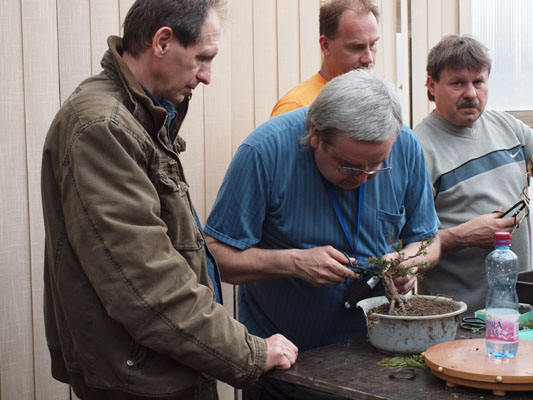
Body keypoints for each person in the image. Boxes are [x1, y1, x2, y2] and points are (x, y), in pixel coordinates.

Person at [40, 1, 297, 399]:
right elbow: (147, 283)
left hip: (160, 366)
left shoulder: (142, 113)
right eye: (203, 58)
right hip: (141, 381)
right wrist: (247, 352)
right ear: (162, 42)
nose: (207, 76)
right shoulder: (104, 127)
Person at [205, 69, 440, 398]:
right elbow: (213, 256)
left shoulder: (406, 146)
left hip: (379, 361)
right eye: (350, 167)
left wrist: (408, 263)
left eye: (377, 167)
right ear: (316, 134)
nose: (364, 178)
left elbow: (428, 240)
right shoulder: (264, 152)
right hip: (287, 369)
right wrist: (293, 263)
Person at [414, 35, 533, 312]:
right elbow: (406, 249)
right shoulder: (417, 150)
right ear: (432, 85)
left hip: (520, 311)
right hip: (460, 319)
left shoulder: (506, 126)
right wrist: (462, 236)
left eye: (478, 82)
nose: (470, 93)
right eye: (457, 83)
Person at [270, 0, 380, 118]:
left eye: (372, 44)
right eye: (357, 47)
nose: (369, 59)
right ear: (325, 45)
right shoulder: (296, 107)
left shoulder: (377, 101)